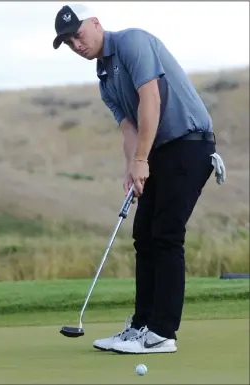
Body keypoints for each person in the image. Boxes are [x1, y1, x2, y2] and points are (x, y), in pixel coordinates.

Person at [53, 4, 226, 354]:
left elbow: (151, 99)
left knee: (165, 236)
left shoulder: (133, 43)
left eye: (78, 34)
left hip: (189, 146)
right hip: (159, 152)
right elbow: (128, 128)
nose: (76, 44)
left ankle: (162, 332)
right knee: (143, 236)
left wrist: (143, 158)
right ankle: (141, 326)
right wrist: (132, 168)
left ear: (97, 23)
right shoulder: (104, 79)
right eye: (68, 42)